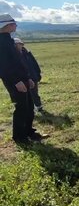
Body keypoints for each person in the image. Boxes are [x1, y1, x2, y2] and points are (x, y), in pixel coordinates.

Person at [0, 14, 43, 145]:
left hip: (22, 79)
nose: (16, 25)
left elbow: (19, 62)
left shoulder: (9, 40)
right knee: (21, 108)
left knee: (29, 106)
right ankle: (20, 138)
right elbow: (4, 66)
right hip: (15, 81)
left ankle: (29, 132)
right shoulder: (1, 42)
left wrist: (28, 78)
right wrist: (16, 81)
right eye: (14, 23)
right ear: (7, 25)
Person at [13, 38, 44, 113]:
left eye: (19, 44)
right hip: (22, 78)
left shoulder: (27, 53)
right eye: (15, 44)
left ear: (21, 44)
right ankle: (28, 108)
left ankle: (38, 106)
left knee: (34, 92)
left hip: (33, 76)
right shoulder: (13, 56)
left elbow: (34, 64)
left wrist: (38, 73)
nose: (17, 46)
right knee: (24, 94)